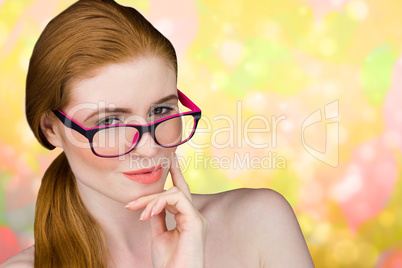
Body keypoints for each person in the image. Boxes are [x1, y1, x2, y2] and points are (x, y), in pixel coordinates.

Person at [1, 0, 314, 267]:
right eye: (109, 122)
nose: (149, 148)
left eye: (161, 111)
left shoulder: (259, 223)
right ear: (51, 129)